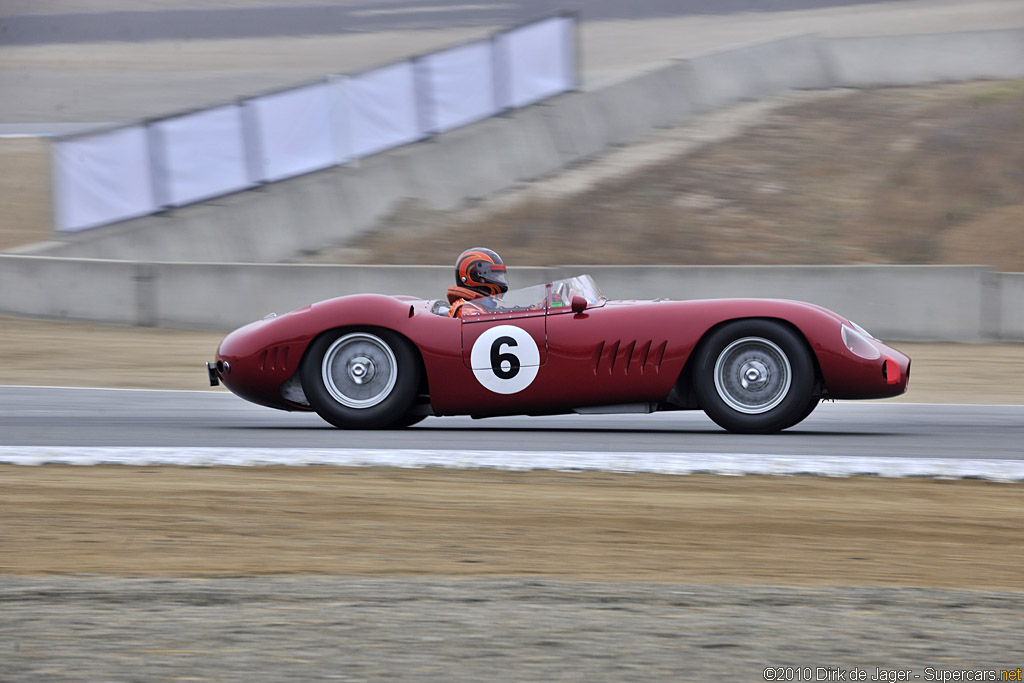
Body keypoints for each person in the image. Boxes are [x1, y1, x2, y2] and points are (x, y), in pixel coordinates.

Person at [446, 247, 508, 318]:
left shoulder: (479, 305)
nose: (498, 279)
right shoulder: (467, 310)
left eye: (498, 275)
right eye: (494, 275)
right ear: (474, 276)